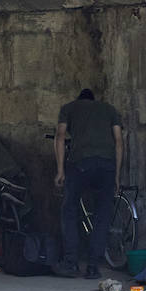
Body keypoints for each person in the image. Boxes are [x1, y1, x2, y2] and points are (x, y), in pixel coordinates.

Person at [53, 88, 123, 279]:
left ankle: (71, 263)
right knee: (102, 215)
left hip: (80, 164)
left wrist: (60, 170)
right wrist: (116, 175)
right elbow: (118, 141)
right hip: (107, 166)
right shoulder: (109, 110)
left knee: (69, 210)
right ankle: (93, 267)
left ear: (79, 99)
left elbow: (60, 136)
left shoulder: (69, 108)